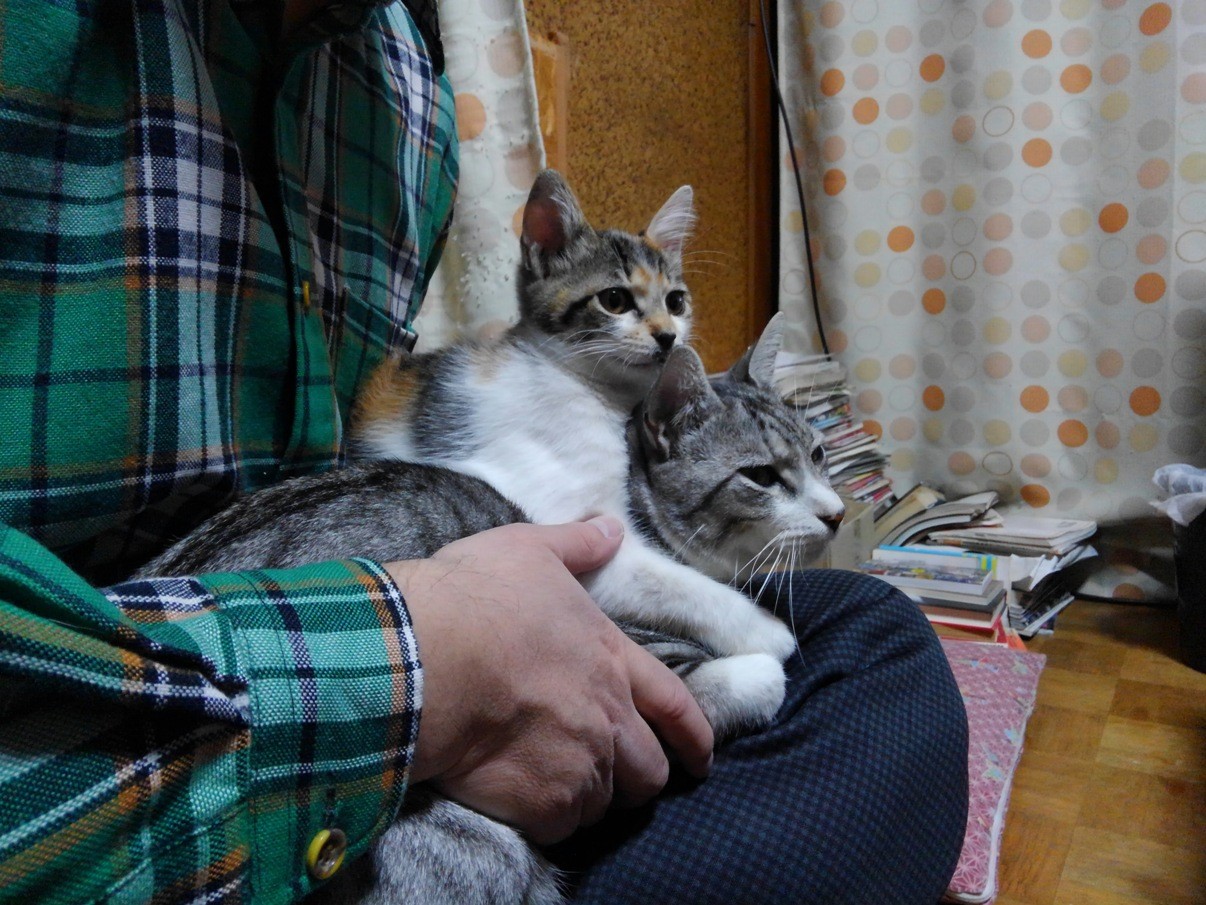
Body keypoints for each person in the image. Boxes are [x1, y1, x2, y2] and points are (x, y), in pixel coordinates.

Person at [0, 1, 968, 903]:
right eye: (625, 304)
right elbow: (580, 542)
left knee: (872, 633)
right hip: (118, 710)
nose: (664, 327)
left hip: (335, 564)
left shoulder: (402, 77)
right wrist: (427, 665)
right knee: (787, 710)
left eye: (672, 302)